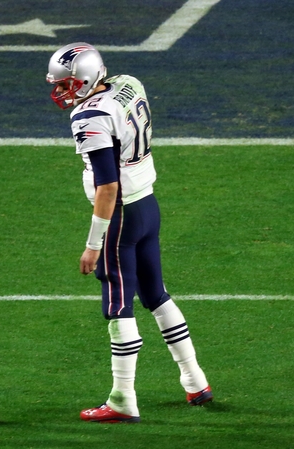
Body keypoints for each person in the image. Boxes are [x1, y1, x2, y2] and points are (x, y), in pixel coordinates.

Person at [45, 43, 213, 423]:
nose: (61, 90)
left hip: (120, 215)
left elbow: (108, 187)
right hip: (147, 205)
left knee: (118, 303)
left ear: (86, 76)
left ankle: (122, 398)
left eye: (67, 83)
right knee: (155, 293)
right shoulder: (128, 83)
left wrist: (93, 244)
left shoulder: (88, 116)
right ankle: (195, 379)